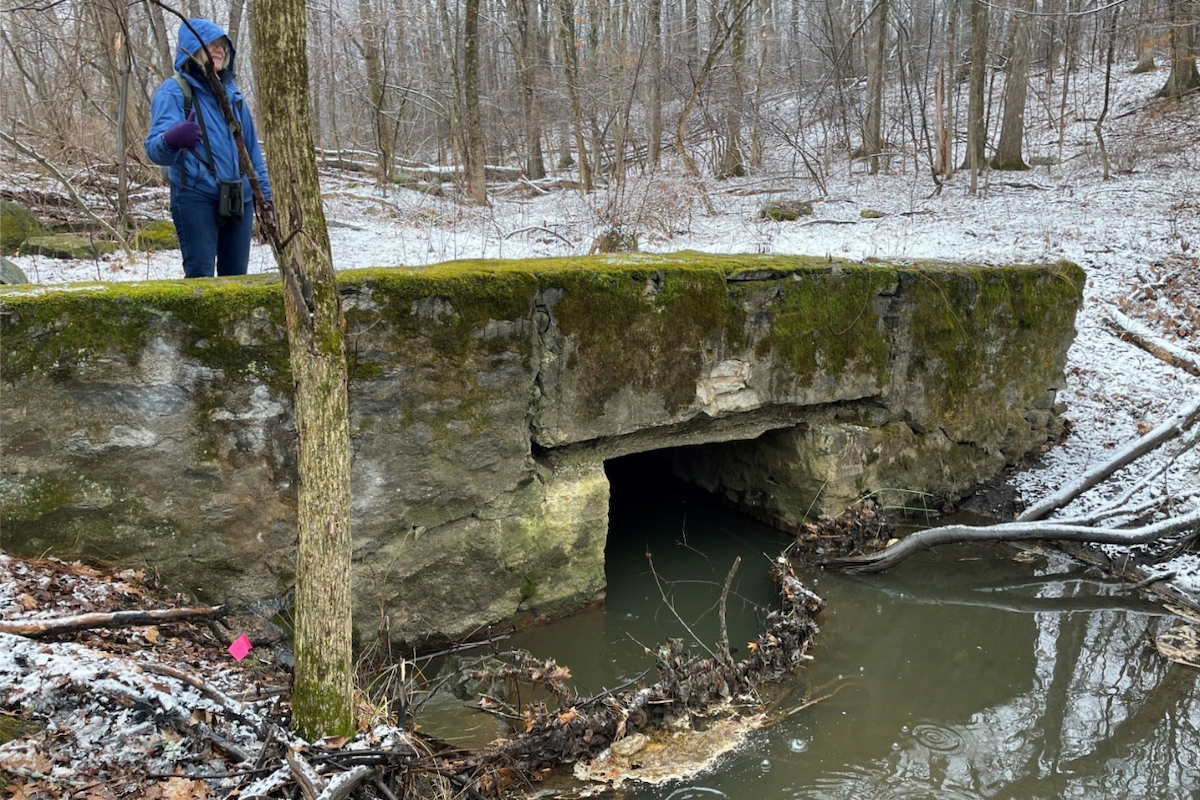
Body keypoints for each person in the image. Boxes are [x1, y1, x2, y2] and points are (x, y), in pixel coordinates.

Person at [145, 19, 272, 278]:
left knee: (236, 281)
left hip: (240, 198)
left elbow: (252, 153)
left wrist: (265, 201)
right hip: (195, 195)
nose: (220, 50)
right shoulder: (174, 92)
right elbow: (154, 150)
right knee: (200, 278)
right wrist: (172, 139)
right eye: (212, 44)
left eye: (224, 46)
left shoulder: (234, 97)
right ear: (193, 47)